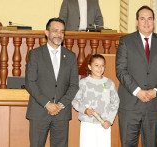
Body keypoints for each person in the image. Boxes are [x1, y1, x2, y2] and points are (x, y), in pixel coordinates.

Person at [116, 5, 157, 147]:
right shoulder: (126, 41)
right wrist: (138, 91)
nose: (146, 22)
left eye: (149, 19)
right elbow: (121, 70)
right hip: (130, 104)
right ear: (137, 22)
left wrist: (156, 92)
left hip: (154, 105)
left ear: (154, 21)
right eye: (142, 19)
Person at [25, 18, 79, 147]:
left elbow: (74, 85)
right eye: (55, 30)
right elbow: (30, 82)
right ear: (47, 32)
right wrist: (47, 104)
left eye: (62, 31)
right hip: (39, 112)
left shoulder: (70, 56)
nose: (59, 34)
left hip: (61, 114)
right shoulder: (35, 54)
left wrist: (60, 105)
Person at [72, 54, 119, 147]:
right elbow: (75, 101)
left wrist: (109, 120)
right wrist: (85, 110)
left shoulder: (109, 83)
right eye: (96, 65)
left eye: (102, 65)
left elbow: (115, 102)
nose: (100, 68)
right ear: (90, 66)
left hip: (104, 124)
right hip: (87, 123)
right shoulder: (83, 83)